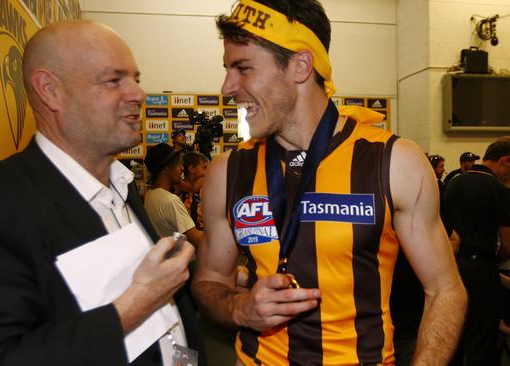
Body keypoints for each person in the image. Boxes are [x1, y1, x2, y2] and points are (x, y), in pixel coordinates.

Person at [191, 0, 467, 365]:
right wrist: (239, 308)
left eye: (243, 68)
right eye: (228, 69)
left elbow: (446, 290)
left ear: (301, 65)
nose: (227, 86)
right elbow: (210, 280)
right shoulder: (229, 171)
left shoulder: (393, 162)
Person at [0, 20, 206, 366]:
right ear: (50, 90)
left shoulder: (122, 188)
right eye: (113, 80)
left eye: (136, 78)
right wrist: (136, 304)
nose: (138, 94)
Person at [443, 137, 510, 366]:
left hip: (449, 268)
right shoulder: (498, 191)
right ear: (505, 161)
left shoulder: (452, 183)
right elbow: (508, 244)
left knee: (453, 337)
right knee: (482, 341)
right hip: (481, 271)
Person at [144, 143, 204, 248]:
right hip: (182, 261)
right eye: (178, 164)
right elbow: (198, 240)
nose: (182, 169)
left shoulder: (150, 194)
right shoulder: (170, 201)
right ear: (166, 168)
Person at [179, 151, 209, 230]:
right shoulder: (176, 187)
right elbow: (193, 188)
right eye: (204, 167)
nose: (207, 172)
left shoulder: (206, 186)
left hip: (203, 233)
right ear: (192, 169)